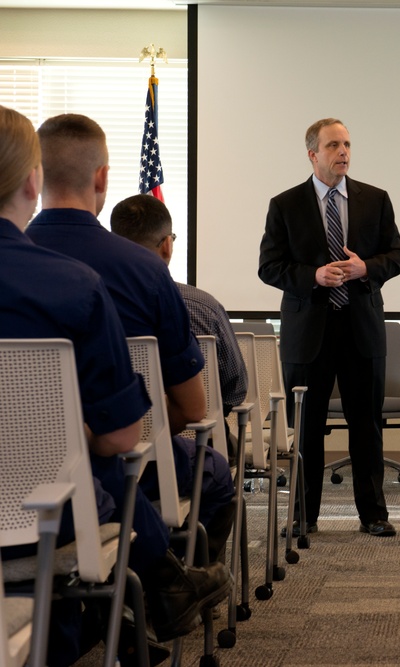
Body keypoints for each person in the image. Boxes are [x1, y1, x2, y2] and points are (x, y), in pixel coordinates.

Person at [0, 106, 230, 662]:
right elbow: (130, 434)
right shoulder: (79, 285)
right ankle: (166, 585)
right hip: (41, 517)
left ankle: (143, 605)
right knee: (99, 455)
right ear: (32, 179)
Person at [27, 115, 235, 564]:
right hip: (127, 459)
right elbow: (192, 409)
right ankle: (182, 586)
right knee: (215, 473)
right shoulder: (145, 270)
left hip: (17, 474)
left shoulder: (17, 260)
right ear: (102, 177)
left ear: (36, 175)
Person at [259, 118, 400, 537]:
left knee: (366, 424)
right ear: (313, 154)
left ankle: (374, 514)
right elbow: (269, 267)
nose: (343, 152)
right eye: (333, 146)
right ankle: (304, 517)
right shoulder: (285, 204)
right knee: (306, 428)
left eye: (347, 144)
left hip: (361, 328)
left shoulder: (375, 200)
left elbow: (397, 256)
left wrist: (366, 268)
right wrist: (313, 277)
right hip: (309, 333)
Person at [110, 194, 248, 424]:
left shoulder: (95, 305)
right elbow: (235, 389)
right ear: (167, 245)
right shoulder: (205, 307)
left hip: (117, 443)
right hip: (199, 441)